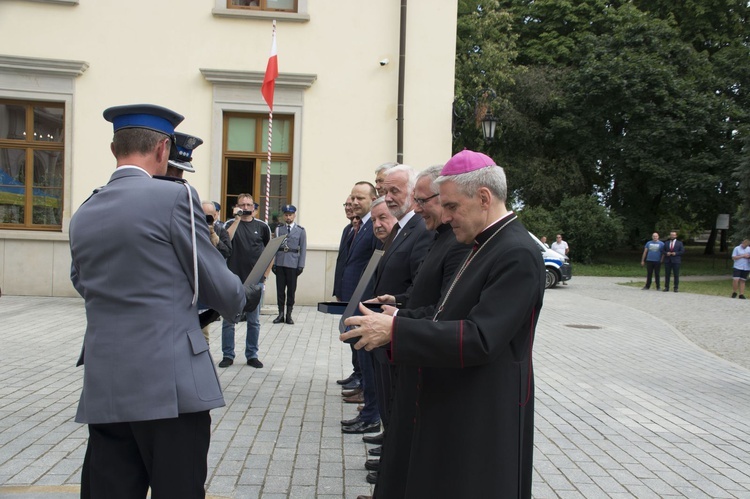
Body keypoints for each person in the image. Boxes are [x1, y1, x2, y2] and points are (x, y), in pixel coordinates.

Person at [69, 104, 262, 499]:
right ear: (162, 149)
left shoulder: (84, 210)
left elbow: (82, 282)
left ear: (113, 149)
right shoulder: (174, 197)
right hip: (169, 380)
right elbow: (218, 285)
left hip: (106, 380)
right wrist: (243, 296)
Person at [343, 149, 544, 498]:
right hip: (461, 394)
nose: (446, 217)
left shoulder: (516, 252)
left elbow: (481, 336)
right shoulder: (482, 245)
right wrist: (400, 316)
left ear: (483, 198)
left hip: (486, 403)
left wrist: (397, 331)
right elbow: (447, 313)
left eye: (451, 206)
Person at [368, 165, 472, 499]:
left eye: (422, 199)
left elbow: (448, 310)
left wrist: (398, 321)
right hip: (411, 340)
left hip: (423, 350)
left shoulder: (455, 242)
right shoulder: (442, 236)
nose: (416, 206)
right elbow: (428, 294)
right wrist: (398, 304)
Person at [338, 181, 380, 436]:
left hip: (366, 302)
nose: (353, 202)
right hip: (353, 298)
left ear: (373, 200)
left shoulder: (374, 227)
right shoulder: (356, 226)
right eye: (351, 197)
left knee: (367, 355)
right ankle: (368, 406)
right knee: (359, 353)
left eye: (360, 198)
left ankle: (371, 412)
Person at [220, 193, 271, 368]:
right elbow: (225, 240)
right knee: (229, 320)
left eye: (249, 205)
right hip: (232, 280)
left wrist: (265, 275)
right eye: (242, 205)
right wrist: (236, 219)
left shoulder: (262, 227)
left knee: (254, 321)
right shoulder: (229, 224)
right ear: (236, 206)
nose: (246, 208)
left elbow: (270, 251)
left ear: (255, 209)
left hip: (254, 281)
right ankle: (228, 355)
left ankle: (252, 355)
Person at [272, 204, 307, 325]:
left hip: (293, 263)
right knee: (280, 290)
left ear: (294, 215)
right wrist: (274, 263)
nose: (288, 217)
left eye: (290, 215)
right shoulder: (278, 229)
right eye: (286, 215)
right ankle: (280, 313)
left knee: (291, 291)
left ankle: (289, 314)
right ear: (283, 216)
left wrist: (301, 265)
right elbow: (275, 248)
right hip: (280, 262)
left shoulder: (300, 230)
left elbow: (303, 248)